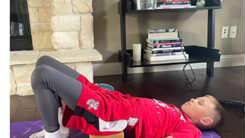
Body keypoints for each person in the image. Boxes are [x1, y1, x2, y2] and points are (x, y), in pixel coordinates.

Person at [29, 56, 224, 138]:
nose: (193, 99)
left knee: (42, 75)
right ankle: (62, 130)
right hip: (114, 99)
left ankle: (53, 134)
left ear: (205, 120)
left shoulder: (190, 129)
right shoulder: (174, 110)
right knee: (43, 61)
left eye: (200, 102)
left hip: (111, 114)